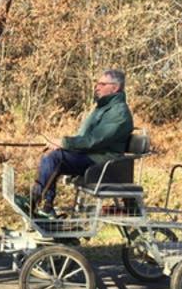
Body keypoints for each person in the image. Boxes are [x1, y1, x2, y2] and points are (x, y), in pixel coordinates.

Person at [30, 69, 134, 217]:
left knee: (55, 158)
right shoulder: (104, 108)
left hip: (103, 163)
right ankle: (41, 203)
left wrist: (64, 143)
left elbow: (94, 140)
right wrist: (62, 144)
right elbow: (85, 137)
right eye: (97, 83)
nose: (97, 87)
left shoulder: (119, 112)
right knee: (52, 155)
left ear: (115, 87)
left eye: (102, 84)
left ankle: (41, 204)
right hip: (92, 157)